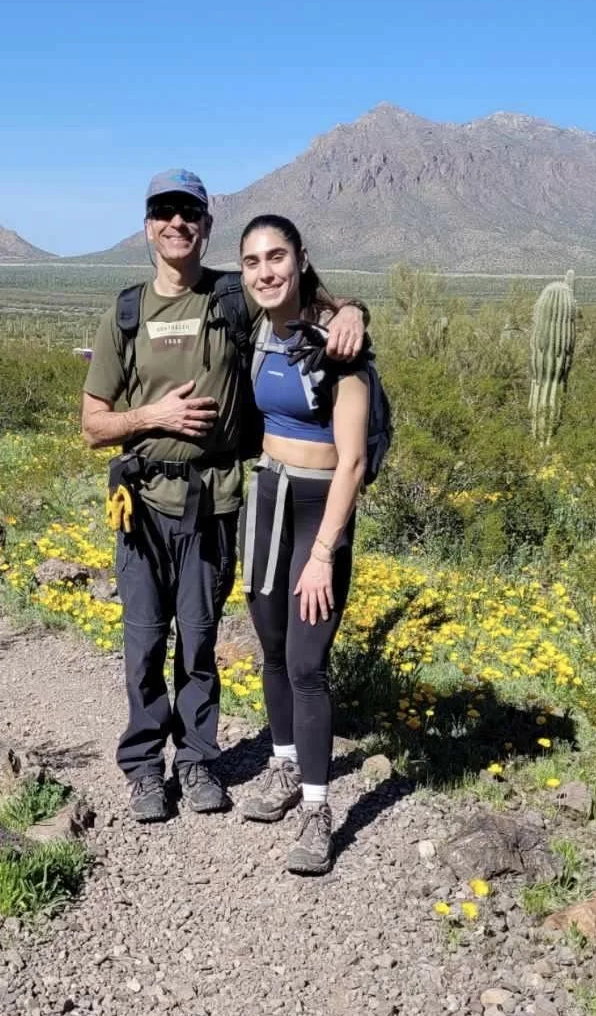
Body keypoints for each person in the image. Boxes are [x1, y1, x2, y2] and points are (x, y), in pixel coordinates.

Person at [81, 171, 367, 823]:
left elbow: (299, 289)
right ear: (148, 223)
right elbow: (93, 423)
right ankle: (144, 768)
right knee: (145, 639)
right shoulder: (124, 314)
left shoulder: (231, 295)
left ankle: (198, 760)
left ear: (205, 225)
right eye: (164, 211)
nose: (177, 222)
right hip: (144, 503)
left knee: (201, 638)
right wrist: (150, 416)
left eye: (190, 213)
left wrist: (351, 310)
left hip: (215, 499)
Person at [238, 214, 370, 875]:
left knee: (306, 661)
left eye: (276, 256)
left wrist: (322, 552)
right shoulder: (254, 324)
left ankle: (319, 809)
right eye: (253, 260)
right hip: (266, 498)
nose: (265, 270)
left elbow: (349, 463)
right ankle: (284, 764)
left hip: (317, 509)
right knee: (268, 645)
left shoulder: (337, 343)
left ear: (300, 258)